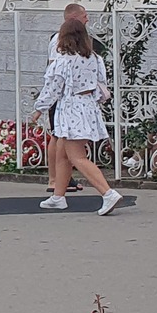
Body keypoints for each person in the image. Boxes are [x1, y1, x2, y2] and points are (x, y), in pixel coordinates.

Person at [34, 16, 124, 215]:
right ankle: (58, 196)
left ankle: (107, 193)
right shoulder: (94, 59)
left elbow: (53, 89)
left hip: (70, 107)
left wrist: (39, 109)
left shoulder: (62, 61)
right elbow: (101, 84)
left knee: (77, 157)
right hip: (88, 106)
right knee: (63, 155)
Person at [44, 2, 91, 201]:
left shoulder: (75, 43)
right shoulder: (59, 40)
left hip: (67, 97)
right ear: (73, 19)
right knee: (57, 135)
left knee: (63, 136)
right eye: (84, 16)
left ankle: (63, 179)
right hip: (61, 96)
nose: (87, 19)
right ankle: (54, 179)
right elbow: (55, 71)